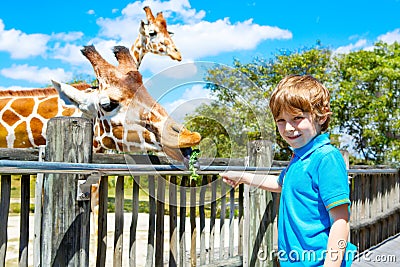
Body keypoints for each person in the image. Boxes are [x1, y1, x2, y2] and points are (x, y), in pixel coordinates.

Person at [220, 75, 356, 266]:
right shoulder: (299, 156)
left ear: (321, 116)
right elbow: (279, 184)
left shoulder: (326, 157)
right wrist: (242, 176)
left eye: (297, 118)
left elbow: (340, 221)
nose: (289, 128)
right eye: (281, 120)